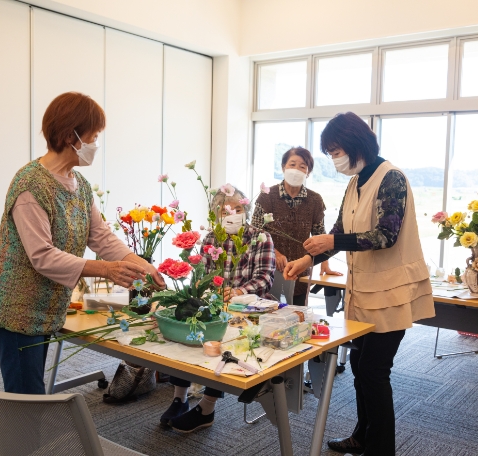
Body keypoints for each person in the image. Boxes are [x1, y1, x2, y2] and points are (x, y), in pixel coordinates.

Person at [0, 92, 165, 395]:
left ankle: (22, 440)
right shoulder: (30, 186)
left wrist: (143, 267)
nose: (96, 145)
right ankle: (15, 443)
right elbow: (43, 256)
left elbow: (100, 236)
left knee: (30, 394)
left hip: (45, 306)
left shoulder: (80, 185)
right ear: (70, 137)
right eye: (93, 137)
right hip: (16, 309)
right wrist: (106, 270)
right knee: (26, 399)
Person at [284, 112, 435, 456]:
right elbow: (338, 234)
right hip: (364, 291)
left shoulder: (391, 178)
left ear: (356, 144)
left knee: (373, 371)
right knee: (358, 365)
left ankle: (380, 449)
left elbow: (386, 235)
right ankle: (362, 435)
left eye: (336, 151)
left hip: (391, 291)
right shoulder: (355, 183)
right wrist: (308, 259)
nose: (334, 159)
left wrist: (330, 242)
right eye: (331, 153)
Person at [161, 185, 276, 433]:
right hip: (215, 305)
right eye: (226, 210)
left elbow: (265, 278)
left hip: (247, 310)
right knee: (187, 330)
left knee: (223, 346)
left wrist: (238, 291)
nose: (233, 213)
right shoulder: (212, 238)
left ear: (246, 209)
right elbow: (200, 274)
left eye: (238, 208)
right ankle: (179, 397)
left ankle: (207, 407)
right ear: (216, 213)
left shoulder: (260, 237)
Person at [252, 147, 341, 305]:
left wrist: (325, 264)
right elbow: (255, 232)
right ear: (283, 167)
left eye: (302, 166)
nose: (296, 170)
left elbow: (320, 236)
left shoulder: (315, 200)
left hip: (300, 272)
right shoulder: (267, 196)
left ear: (308, 172)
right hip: (268, 270)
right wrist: (276, 253)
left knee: (297, 318)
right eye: (292, 164)